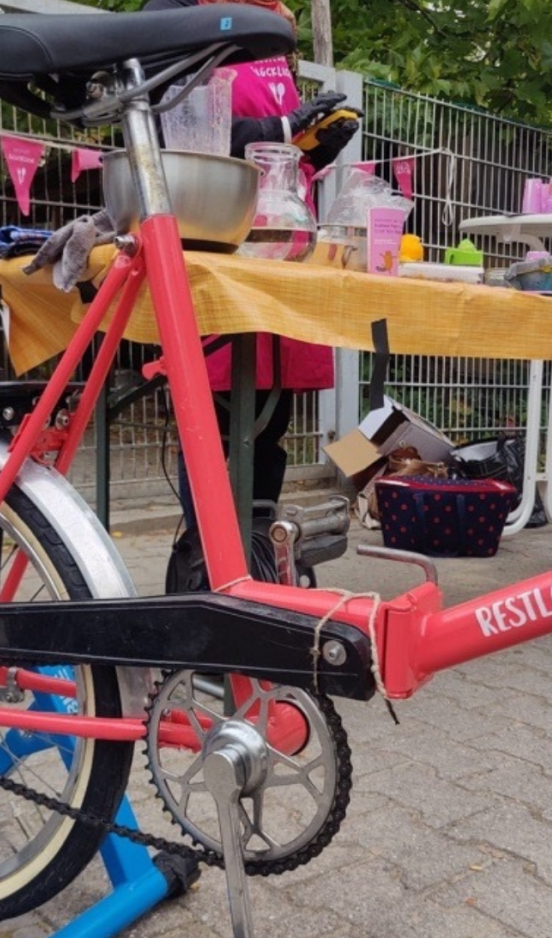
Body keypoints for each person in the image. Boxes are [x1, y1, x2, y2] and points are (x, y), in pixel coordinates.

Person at [142, 0, 358, 537]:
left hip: (277, 248)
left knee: (271, 420)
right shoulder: (175, 12)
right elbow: (180, 134)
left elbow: (278, 159)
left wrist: (313, 148)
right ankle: (208, 558)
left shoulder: (274, 25)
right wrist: (281, 125)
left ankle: (259, 548)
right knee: (216, 419)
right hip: (215, 243)